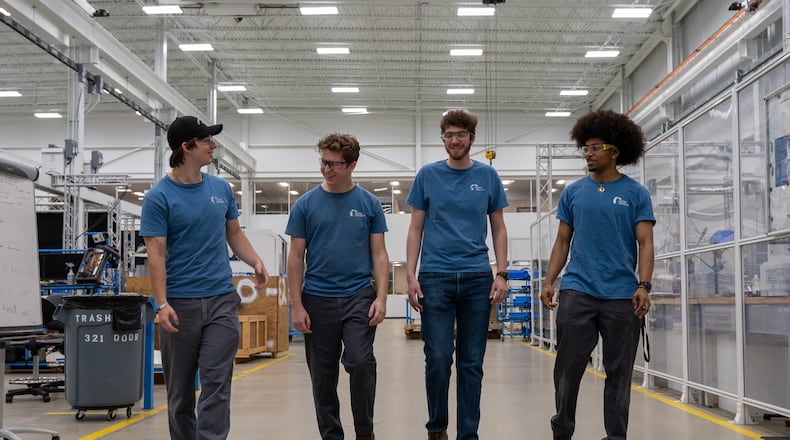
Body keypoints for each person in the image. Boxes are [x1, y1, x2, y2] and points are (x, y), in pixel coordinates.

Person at [140, 115, 270, 440]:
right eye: (206, 140)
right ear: (186, 147)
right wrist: (162, 303)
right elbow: (155, 254)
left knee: (216, 385)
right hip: (180, 306)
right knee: (181, 395)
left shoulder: (221, 189)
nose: (213, 145)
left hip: (221, 301)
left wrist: (255, 260)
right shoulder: (159, 197)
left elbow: (235, 234)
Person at [539, 109, 655, 440]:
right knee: (567, 370)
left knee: (619, 374)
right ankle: (562, 431)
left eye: (594, 147)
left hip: (621, 295)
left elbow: (645, 244)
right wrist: (549, 281)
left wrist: (644, 285)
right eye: (585, 148)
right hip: (578, 291)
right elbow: (562, 242)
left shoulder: (635, 194)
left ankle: (616, 437)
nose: (587, 153)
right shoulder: (574, 192)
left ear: (614, 151)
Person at [406, 108, 509, 440]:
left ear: (472, 139)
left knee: (471, 363)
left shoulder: (488, 176)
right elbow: (415, 229)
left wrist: (502, 273)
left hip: (478, 278)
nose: (454, 140)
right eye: (448, 135)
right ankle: (436, 427)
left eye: (460, 134)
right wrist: (410, 275)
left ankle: (468, 434)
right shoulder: (427, 175)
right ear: (443, 139)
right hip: (435, 277)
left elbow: (499, 228)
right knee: (437, 357)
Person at [286, 133, 389, 440]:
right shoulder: (305, 205)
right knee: (322, 376)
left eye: (333, 164)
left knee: (360, 361)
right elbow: (295, 257)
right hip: (317, 299)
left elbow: (380, 254)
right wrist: (297, 305)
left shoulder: (369, 204)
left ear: (352, 165)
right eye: (323, 162)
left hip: (358, 295)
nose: (326, 169)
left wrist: (382, 297)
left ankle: (364, 432)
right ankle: (332, 435)